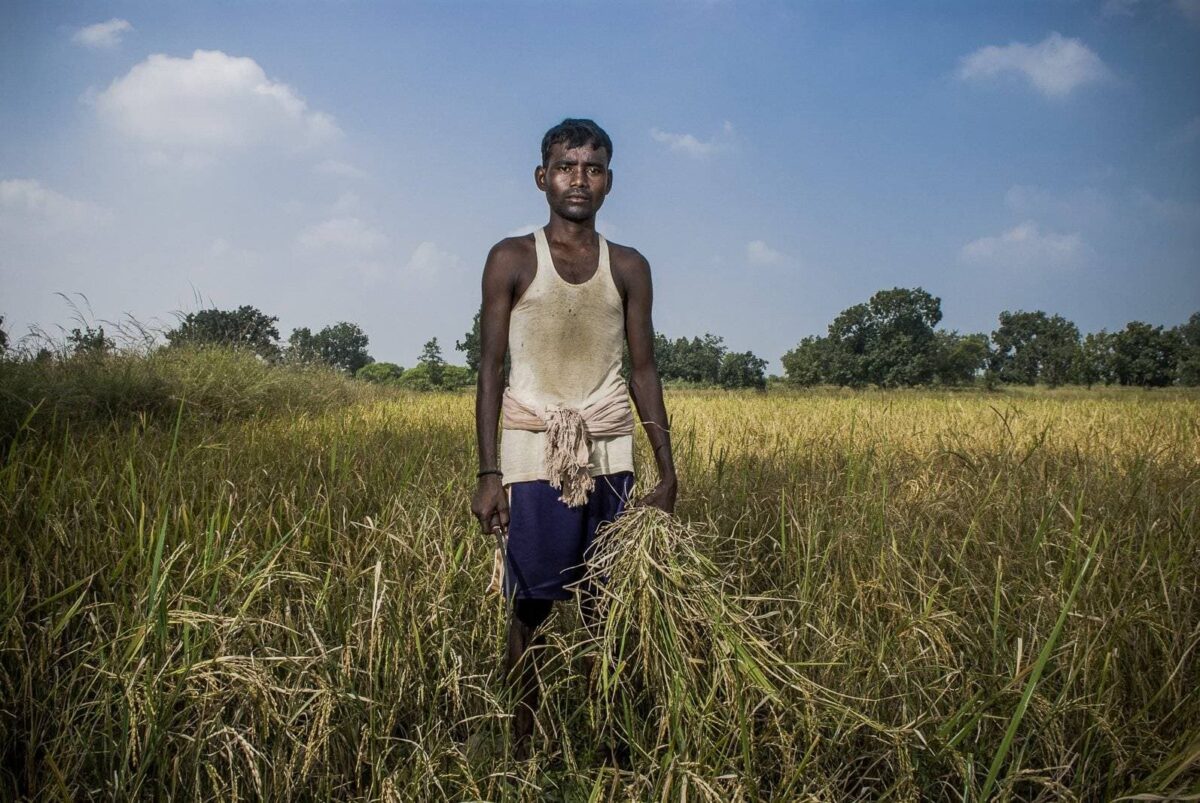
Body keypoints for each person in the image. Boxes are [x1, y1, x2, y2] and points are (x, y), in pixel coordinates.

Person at [470, 118, 677, 759]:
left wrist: (667, 471)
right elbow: (491, 369)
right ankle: (521, 743)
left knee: (604, 603)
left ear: (609, 181)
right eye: (566, 166)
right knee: (530, 606)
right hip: (532, 454)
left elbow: (643, 370)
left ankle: (606, 738)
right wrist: (487, 473)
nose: (578, 179)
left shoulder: (630, 267)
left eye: (592, 168)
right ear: (542, 177)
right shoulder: (512, 258)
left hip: (609, 452)